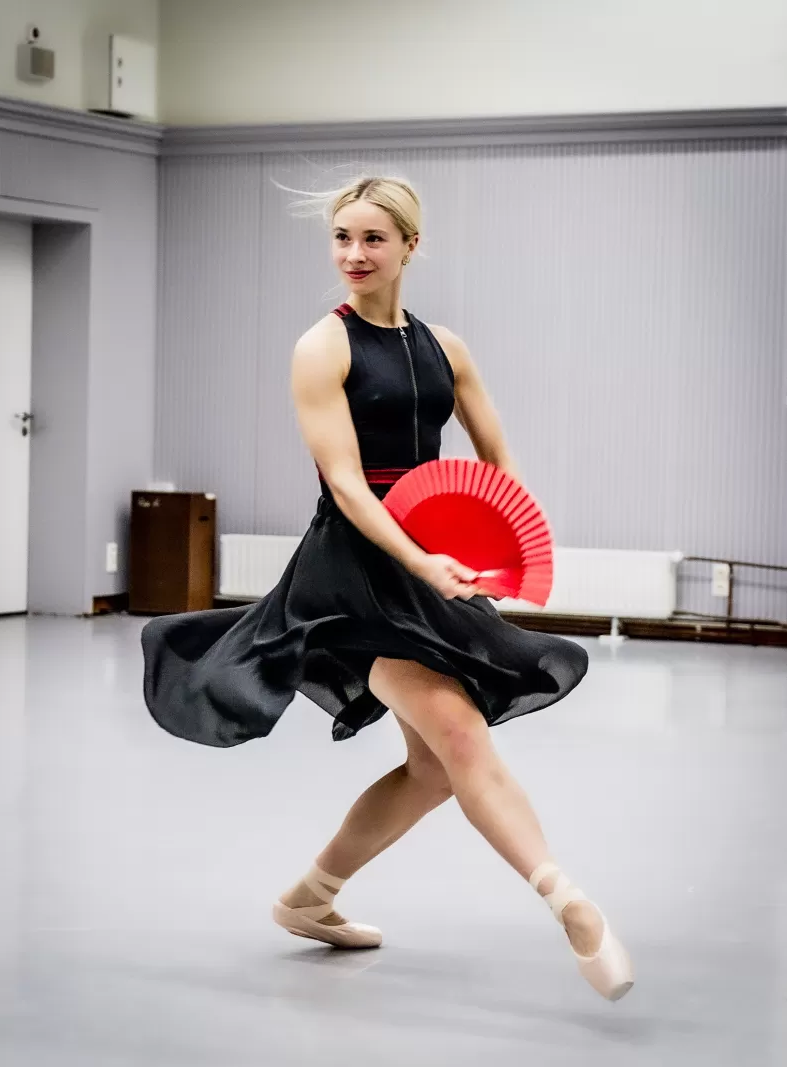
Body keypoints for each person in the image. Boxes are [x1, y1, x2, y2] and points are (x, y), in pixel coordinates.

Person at [141, 176, 633, 1002]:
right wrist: (418, 561)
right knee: (461, 735)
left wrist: (505, 549)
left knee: (435, 770)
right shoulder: (320, 348)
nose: (353, 255)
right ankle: (571, 906)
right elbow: (347, 486)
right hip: (353, 575)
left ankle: (310, 899)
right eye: (340, 238)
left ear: (410, 246)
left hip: (433, 566)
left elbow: (496, 464)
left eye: (372, 239)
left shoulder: (446, 347)